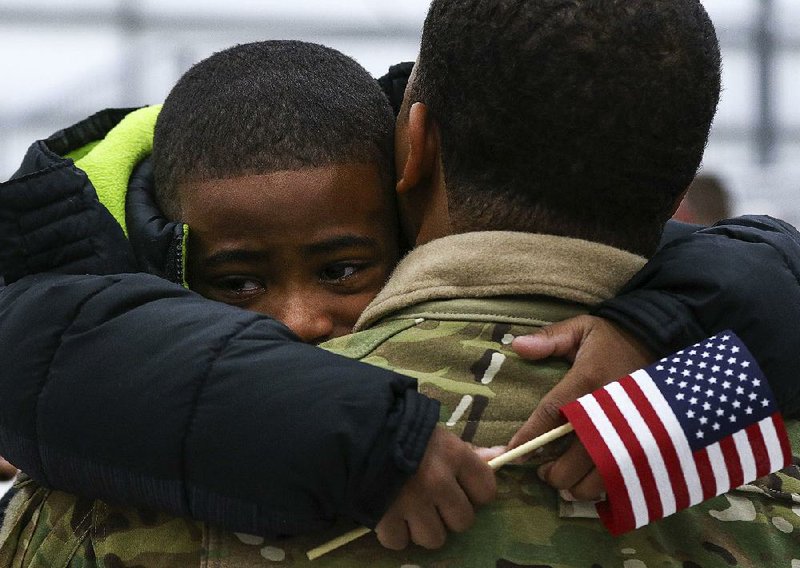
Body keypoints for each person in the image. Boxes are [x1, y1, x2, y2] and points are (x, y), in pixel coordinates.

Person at [1, 8, 800, 565]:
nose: (302, 324)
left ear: (410, 152)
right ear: (675, 193)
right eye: (240, 281)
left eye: (340, 268)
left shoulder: (104, 471)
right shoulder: (749, 411)